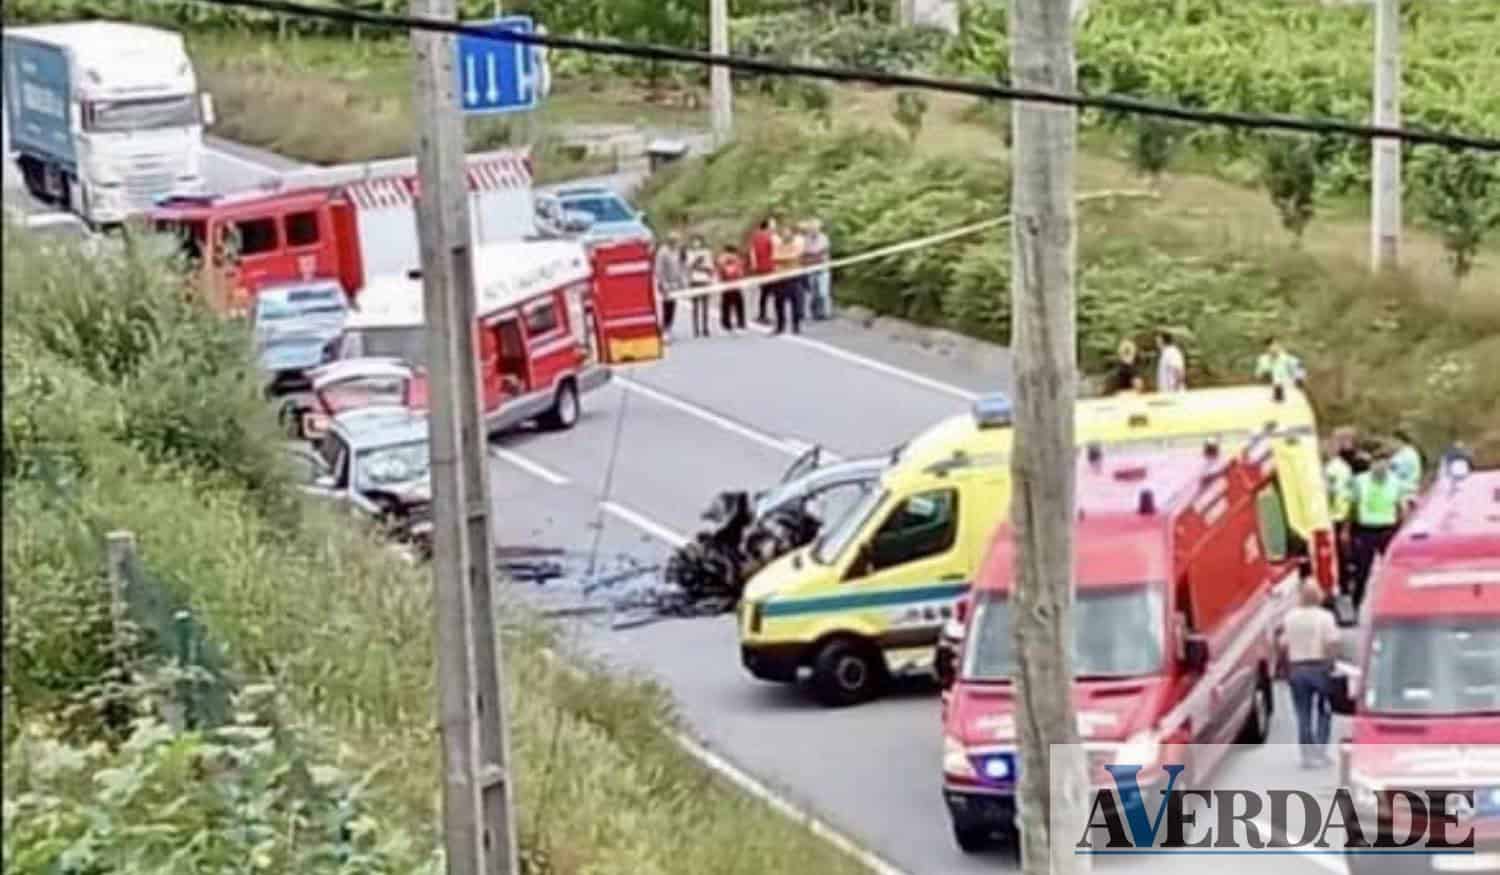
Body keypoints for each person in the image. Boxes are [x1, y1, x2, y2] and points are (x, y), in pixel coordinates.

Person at [1282, 580, 1341, 768]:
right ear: (1318, 596)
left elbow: (1283, 644)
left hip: (1297, 669)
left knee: (1303, 713)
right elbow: (1331, 643)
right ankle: (1320, 752)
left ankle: (1307, 754)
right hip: (1319, 667)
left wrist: (1286, 668)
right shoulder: (1325, 617)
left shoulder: (1290, 617)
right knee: (1324, 711)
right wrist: (1331, 665)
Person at [1348, 454, 1404, 612]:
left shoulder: (1395, 482)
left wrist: (1401, 528)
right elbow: (1352, 505)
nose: (1380, 467)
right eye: (1377, 463)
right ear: (1371, 464)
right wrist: (1347, 530)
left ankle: (1396, 602)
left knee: (1394, 568)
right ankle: (1356, 604)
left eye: (1384, 464)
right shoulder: (1360, 481)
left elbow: (1400, 507)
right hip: (1365, 529)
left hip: (1388, 529)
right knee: (1362, 570)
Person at [770, 222, 806, 335]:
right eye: (783, 232)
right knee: (779, 303)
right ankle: (780, 326)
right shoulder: (778, 244)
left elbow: (796, 256)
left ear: (792, 233)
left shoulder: (798, 243)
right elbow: (774, 257)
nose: (785, 234)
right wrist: (786, 258)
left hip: (794, 276)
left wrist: (784, 258)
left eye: (787, 232)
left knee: (796, 302)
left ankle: (796, 326)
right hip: (780, 277)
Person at [654, 232, 687, 341]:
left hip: (675, 283)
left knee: (672, 306)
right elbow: (659, 269)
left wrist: (682, 282)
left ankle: (669, 328)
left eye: (676, 240)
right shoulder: (663, 252)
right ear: (669, 240)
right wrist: (663, 284)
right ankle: (664, 330)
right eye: (673, 240)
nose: (675, 242)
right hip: (666, 283)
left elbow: (680, 266)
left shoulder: (677, 251)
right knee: (666, 306)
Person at [685, 234, 716, 339]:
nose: (696, 243)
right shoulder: (689, 253)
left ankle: (705, 328)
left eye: (698, 241)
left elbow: (710, 268)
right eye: (694, 241)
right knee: (695, 307)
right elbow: (689, 267)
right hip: (694, 281)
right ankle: (696, 328)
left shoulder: (707, 253)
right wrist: (697, 262)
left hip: (704, 280)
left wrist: (707, 273)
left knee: (705, 306)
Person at [802, 219, 832, 320]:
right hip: (811, 268)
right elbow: (805, 253)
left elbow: (822, 252)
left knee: (823, 292)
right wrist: (813, 255)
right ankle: (813, 312)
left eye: (815, 228)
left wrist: (813, 254)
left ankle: (824, 313)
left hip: (823, 268)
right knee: (812, 293)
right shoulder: (806, 239)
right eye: (812, 228)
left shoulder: (824, 238)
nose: (814, 230)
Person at [748, 217, 777, 324]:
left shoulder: (756, 236)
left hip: (761, 268)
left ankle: (763, 314)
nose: (775, 226)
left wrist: (753, 264)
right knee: (769, 292)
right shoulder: (770, 237)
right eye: (773, 224)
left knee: (764, 292)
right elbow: (775, 251)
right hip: (769, 268)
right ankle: (765, 314)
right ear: (768, 225)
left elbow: (752, 251)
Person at [715, 244, 747, 332]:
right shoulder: (736, 258)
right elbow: (740, 272)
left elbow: (719, 270)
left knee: (726, 304)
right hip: (735, 284)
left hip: (726, 284)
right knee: (739, 304)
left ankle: (726, 323)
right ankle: (741, 322)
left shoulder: (722, 258)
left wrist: (720, 279)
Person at [1389, 429, 1423, 500]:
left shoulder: (1408, 454)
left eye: (1392, 441)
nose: (1390, 444)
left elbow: (1397, 473)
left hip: (1404, 490)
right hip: (1401, 488)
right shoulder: (1403, 452)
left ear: (1398, 441)